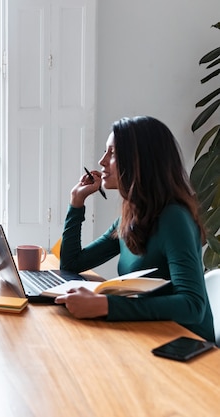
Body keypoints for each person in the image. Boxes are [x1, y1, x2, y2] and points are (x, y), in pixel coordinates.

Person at [55, 116, 214, 342]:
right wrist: (76, 202)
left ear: (139, 161)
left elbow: (192, 305)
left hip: (185, 344)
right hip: (150, 332)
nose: (102, 161)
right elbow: (71, 264)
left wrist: (106, 305)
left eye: (112, 153)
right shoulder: (132, 215)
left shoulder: (173, 218)